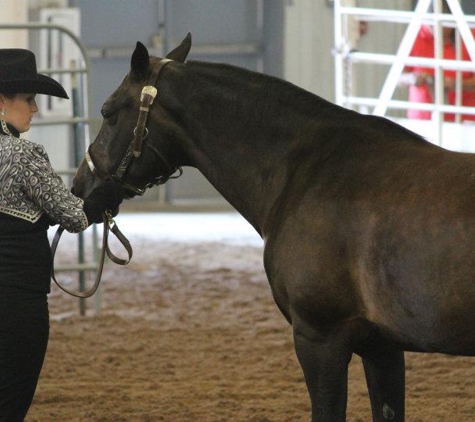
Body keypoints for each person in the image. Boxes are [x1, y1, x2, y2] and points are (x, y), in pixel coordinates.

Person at [0, 48, 123, 421]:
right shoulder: (23, 155)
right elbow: (74, 216)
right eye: (28, 99)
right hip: (16, 299)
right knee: (10, 399)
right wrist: (109, 194)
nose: (34, 109)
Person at [399, 1, 475, 121]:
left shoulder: (469, 36)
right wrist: (412, 78)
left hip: (464, 119)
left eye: (445, 25)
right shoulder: (415, 35)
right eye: (433, 26)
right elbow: (397, 77)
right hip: (421, 119)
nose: (440, 30)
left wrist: (457, 84)